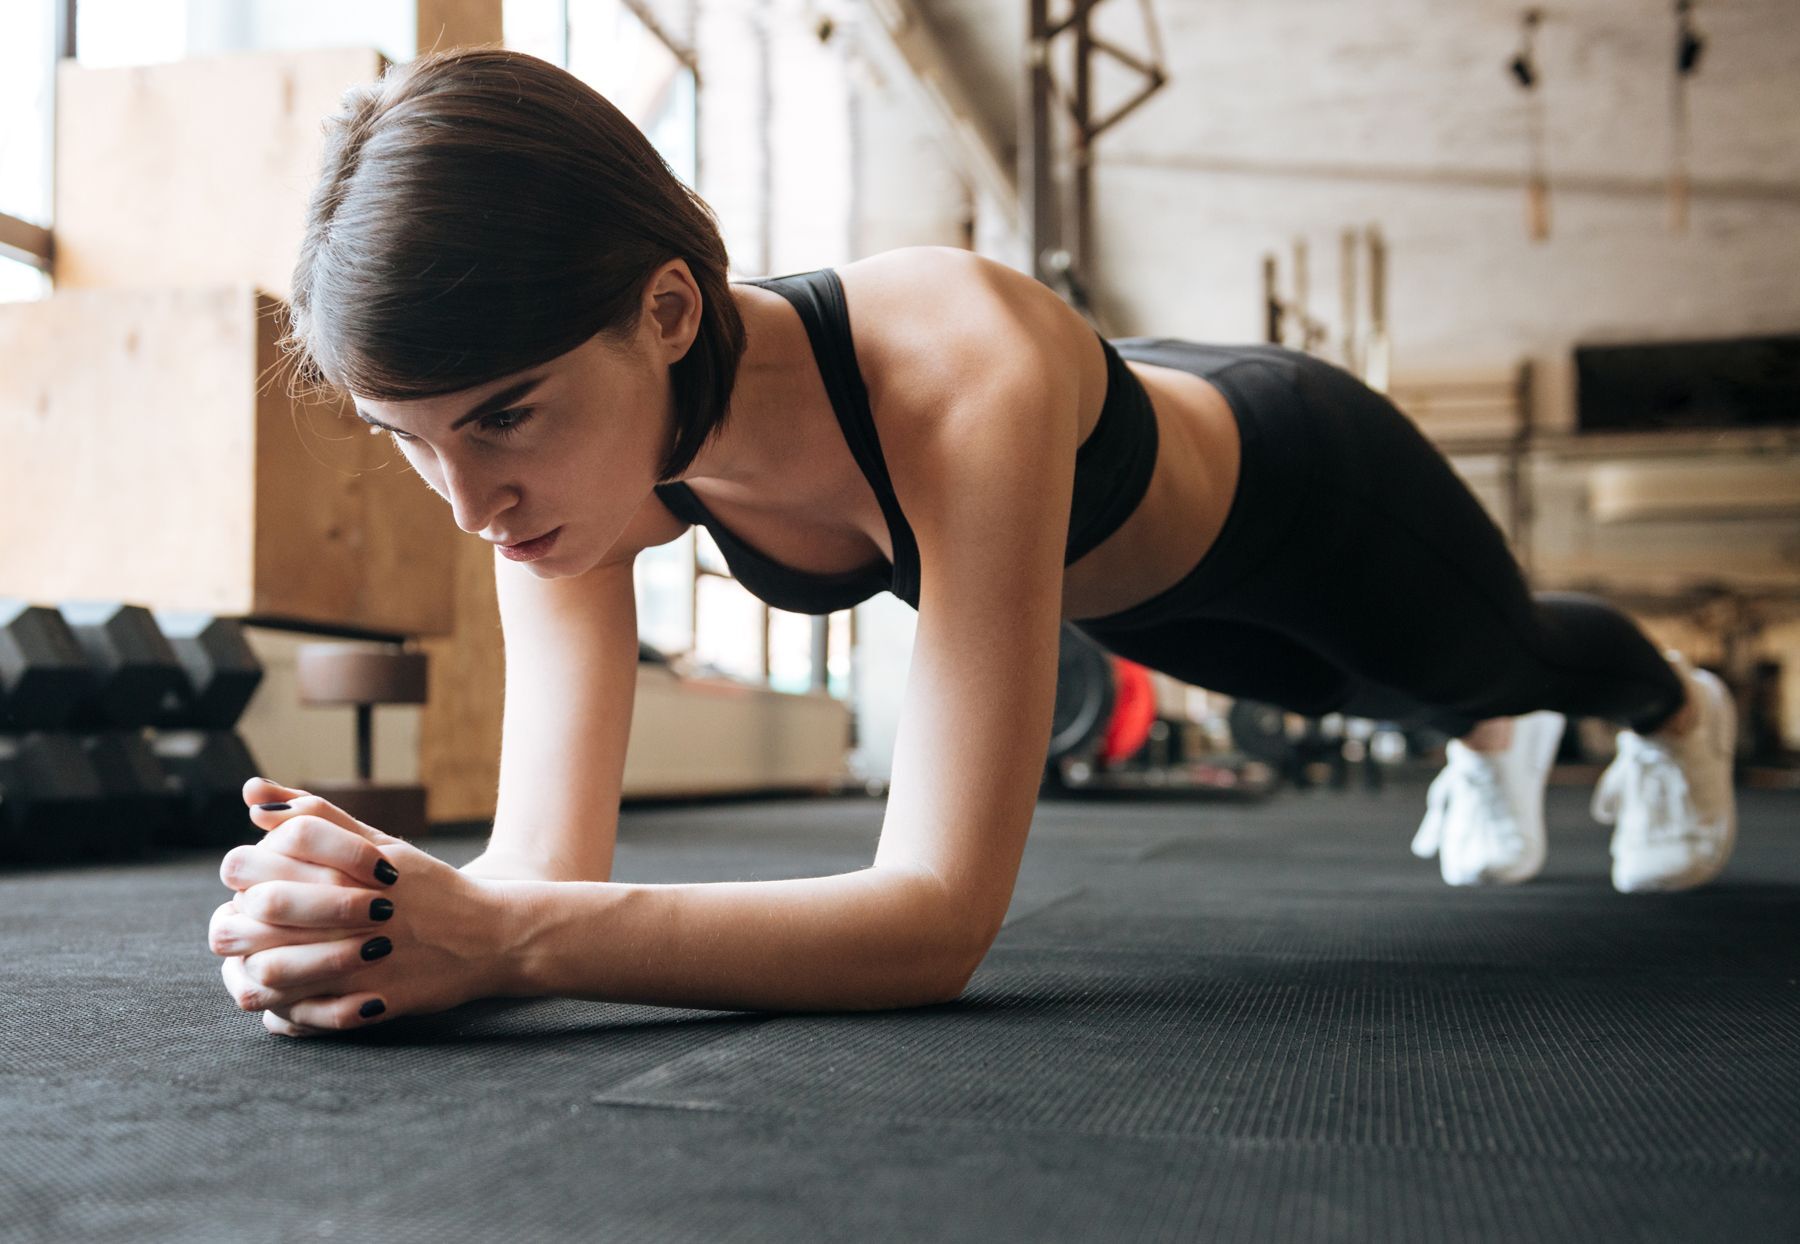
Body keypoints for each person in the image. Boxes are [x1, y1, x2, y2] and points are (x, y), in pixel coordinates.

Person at [206, 48, 1738, 1038]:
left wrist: (505, 939)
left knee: (1512, 659)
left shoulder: (956, 365)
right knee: (1363, 700)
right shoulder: (572, 466)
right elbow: (542, 875)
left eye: (499, 421)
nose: (470, 504)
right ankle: (1473, 735)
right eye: (414, 443)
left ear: (666, 311)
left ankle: (1677, 712)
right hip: (1137, 602)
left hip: (1305, 491)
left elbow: (934, 917)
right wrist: (380, 915)